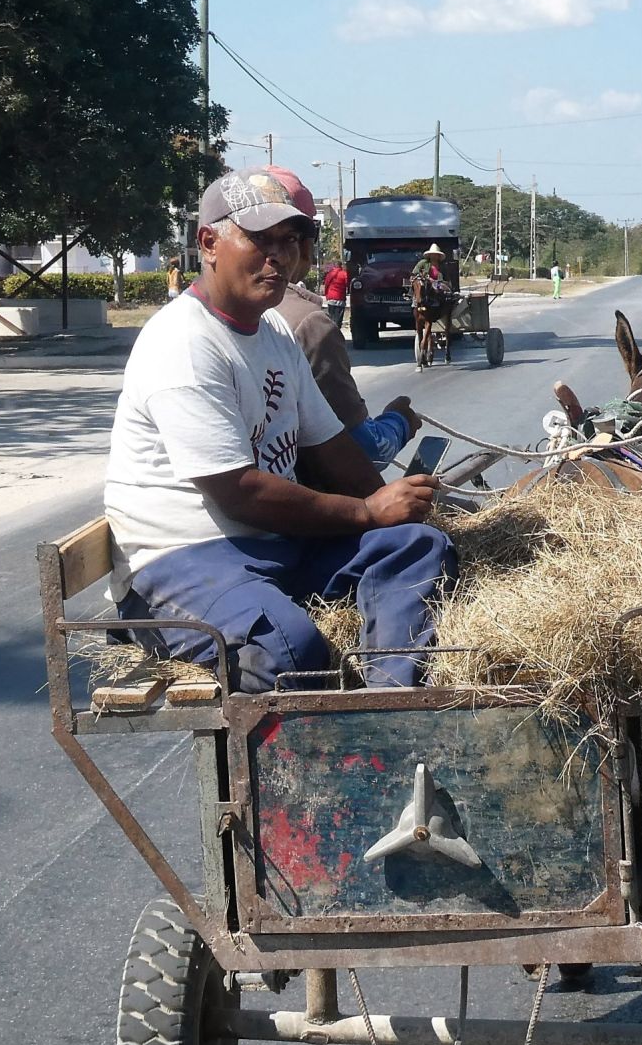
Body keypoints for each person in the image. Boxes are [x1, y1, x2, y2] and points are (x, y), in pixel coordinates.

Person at [105, 167, 455, 693]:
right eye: (260, 239)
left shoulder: (271, 331)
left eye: (289, 240)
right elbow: (238, 491)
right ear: (209, 243)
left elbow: (330, 444)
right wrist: (365, 512)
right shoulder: (182, 342)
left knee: (417, 546)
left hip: (272, 545)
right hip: (182, 559)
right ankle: (353, 747)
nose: (279, 256)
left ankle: (390, 709)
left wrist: (387, 502)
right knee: (289, 649)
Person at [260, 167, 420, 471]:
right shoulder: (307, 323)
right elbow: (368, 452)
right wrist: (399, 421)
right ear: (305, 244)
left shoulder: (189, 318)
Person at [321, 259, 348, 327]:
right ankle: (337, 331)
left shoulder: (330, 274)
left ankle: (332, 331)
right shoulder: (344, 274)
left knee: (331, 317)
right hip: (340, 298)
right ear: (341, 266)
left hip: (331, 298)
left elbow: (326, 285)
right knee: (338, 318)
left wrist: (327, 295)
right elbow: (347, 284)